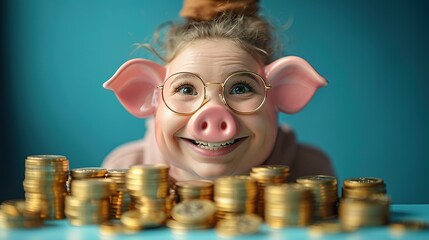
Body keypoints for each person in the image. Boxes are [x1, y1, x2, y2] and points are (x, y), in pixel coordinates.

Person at [102, 0, 335, 182]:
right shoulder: (122, 168)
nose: (213, 115)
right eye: (186, 89)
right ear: (146, 91)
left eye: (241, 88)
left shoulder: (310, 171)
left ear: (285, 90)